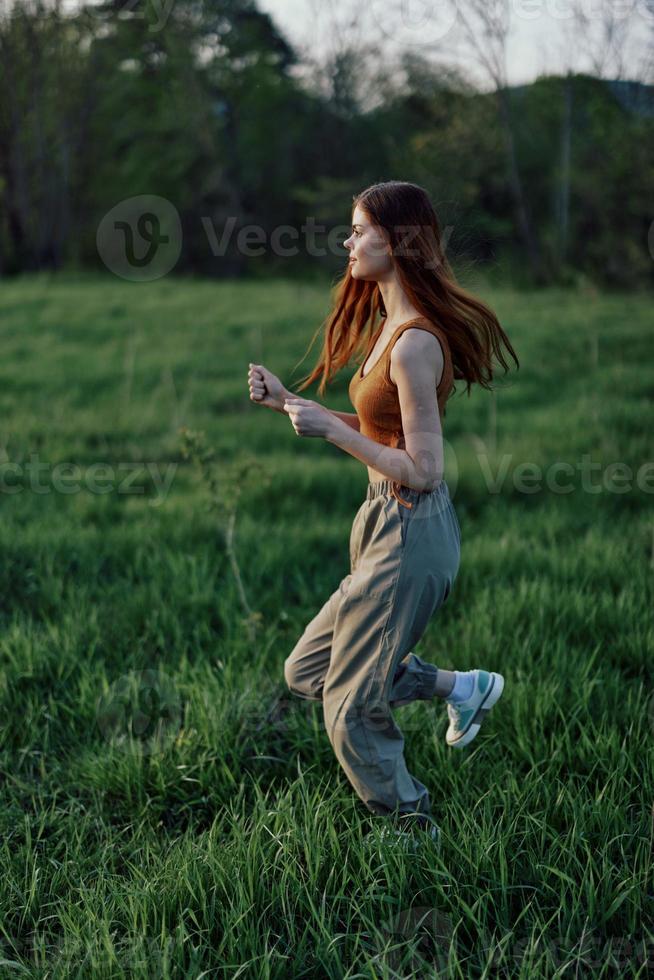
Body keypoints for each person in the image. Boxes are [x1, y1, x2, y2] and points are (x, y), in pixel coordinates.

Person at [247, 180, 519, 850]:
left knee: (348, 704)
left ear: (397, 241)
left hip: (411, 529)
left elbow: (426, 468)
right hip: (380, 524)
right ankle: (460, 687)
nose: (348, 241)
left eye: (359, 229)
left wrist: (332, 434)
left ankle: (411, 827)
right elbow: (382, 433)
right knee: (308, 671)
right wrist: (289, 404)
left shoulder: (414, 344)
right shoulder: (390, 328)